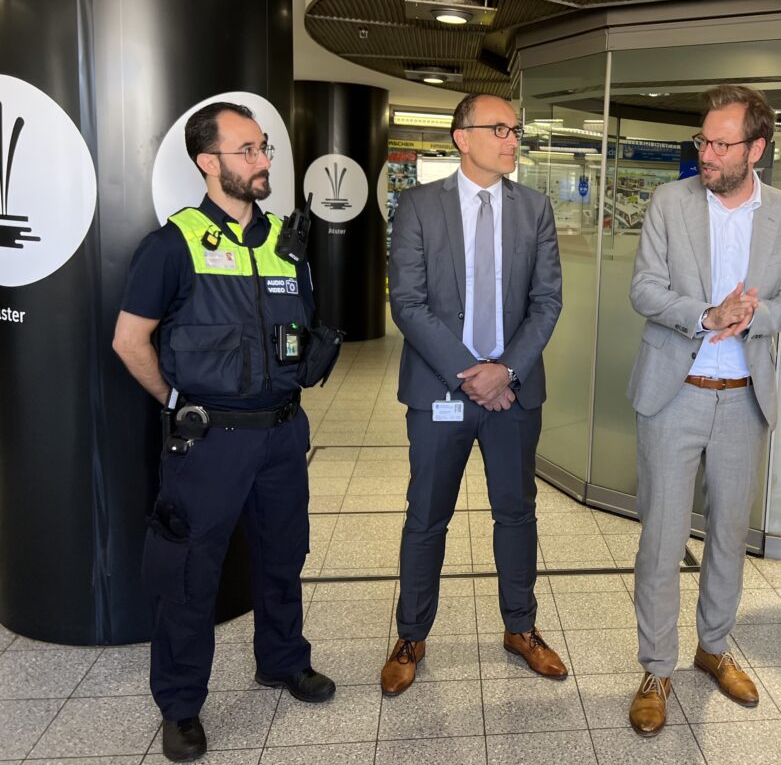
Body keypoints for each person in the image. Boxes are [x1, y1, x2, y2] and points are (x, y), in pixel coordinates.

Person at [112, 102, 334, 762]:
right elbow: (130, 340)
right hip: (208, 442)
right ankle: (180, 705)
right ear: (208, 162)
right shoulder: (171, 246)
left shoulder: (285, 243)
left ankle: (283, 660)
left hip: (282, 436)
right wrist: (177, 402)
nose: (263, 161)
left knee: (282, 556)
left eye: (263, 148)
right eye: (246, 150)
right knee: (189, 572)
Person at [626, 85, 781, 736]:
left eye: (720, 143)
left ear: (756, 149)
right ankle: (656, 668)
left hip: (742, 404)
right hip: (673, 395)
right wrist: (706, 316)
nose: (706, 152)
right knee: (662, 540)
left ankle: (713, 648)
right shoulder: (669, 203)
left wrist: (755, 315)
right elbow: (644, 289)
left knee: (728, 536)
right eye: (704, 140)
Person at [381, 93, 565, 696]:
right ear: (463, 137)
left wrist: (505, 370)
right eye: (500, 128)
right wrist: (472, 372)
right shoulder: (418, 206)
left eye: (516, 130)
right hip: (441, 388)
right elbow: (406, 303)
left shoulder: (534, 209)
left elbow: (546, 303)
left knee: (516, 512)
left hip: (512, 394)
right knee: (426, 516)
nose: (513, 139)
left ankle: (522, 628)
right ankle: (411, 634)